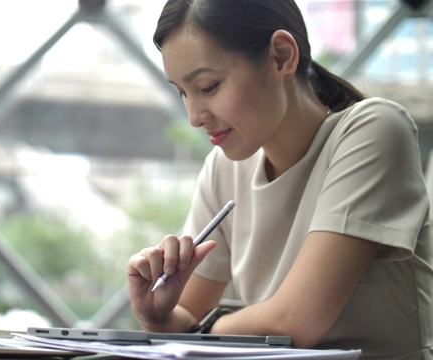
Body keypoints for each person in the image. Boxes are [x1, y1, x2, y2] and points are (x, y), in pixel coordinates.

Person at [126, 0, 433, 358]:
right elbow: (186, 318)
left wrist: (199, 331)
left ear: (281, 56)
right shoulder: (224, 167)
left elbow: (297, 322)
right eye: (183, 92)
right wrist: (154, 313)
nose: (194, 116)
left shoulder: (373, 131)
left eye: (208, 87)